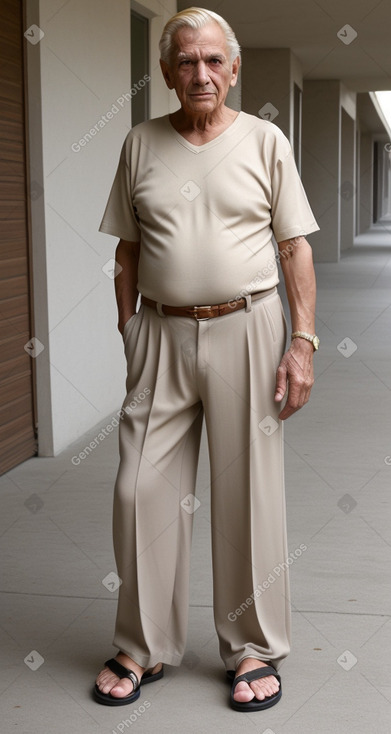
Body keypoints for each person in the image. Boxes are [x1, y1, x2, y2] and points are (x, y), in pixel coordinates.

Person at [94, 6, 319, 712]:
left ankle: (250, 646)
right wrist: (130, 328)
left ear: (234, 68)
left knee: (246, 494)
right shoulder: (139, 143)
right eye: (185, 60)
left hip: (247, 327)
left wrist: (302, 343)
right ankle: (142, 644)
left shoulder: (264, 141)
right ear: (165, 72)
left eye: (212, 60)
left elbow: (294, 249)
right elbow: (126, 251)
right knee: (139, 491)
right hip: (159, 333)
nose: (200, 73)